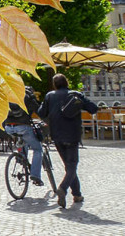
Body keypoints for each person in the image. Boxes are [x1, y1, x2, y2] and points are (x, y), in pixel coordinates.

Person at [38, 73, 99, 209]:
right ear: (66, 83)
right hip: (72, 135)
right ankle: (63, 188)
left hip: (57, 136)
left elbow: (41, 113)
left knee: (69, 166)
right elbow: (93, 108)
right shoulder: (75, 95)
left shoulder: (49, 96)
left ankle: (77, 194)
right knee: (72, 165)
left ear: (55, 85)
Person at [3, 86, 44, 186]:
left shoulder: (9, 94)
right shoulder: (29, 96)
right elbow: (39, 111)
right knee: (37, 149)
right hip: (23, 127)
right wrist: (47, 121)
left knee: (23, 139)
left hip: (8, 127)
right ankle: (35, 175)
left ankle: (21, 158)